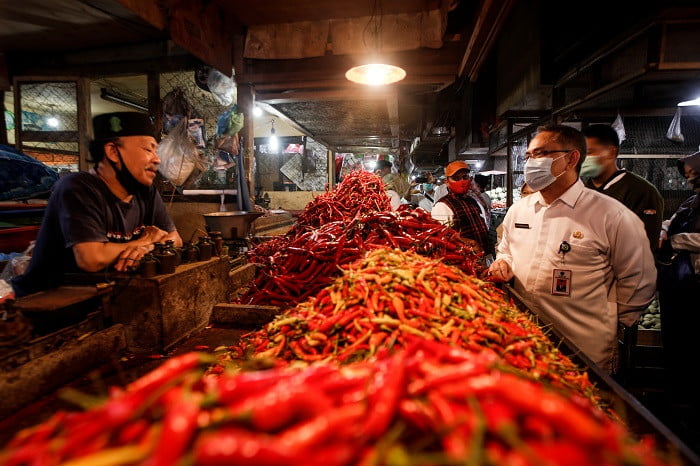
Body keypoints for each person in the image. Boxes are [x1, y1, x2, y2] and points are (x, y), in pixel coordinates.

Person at [488, 125, 656, 372]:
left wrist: (608, 325)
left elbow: (639, 279)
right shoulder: (519, 210)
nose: (532, 162)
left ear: (571, 158)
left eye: (542, 153)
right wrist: (503, 262)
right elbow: (507, 249)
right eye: (529, 156)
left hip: (583, 350)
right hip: (523, 342)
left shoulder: (610, 214)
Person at [12, 112, 183, 297]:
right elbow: (91, 258)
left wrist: (147, 248)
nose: (156, 159)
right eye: (148, 150)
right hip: (48, 304)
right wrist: (145, 240)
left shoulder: (145, 192)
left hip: (104, 297)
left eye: (156, 151)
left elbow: (176, 239)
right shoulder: (77, 187)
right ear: (113, 151)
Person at [656, 151, 700, 420]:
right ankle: (678, 396)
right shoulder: (691, 201)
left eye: (693, 171)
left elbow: (685, 237)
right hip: (678, 283)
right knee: (676, 339)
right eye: (687, 172)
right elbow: (669, 223)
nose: (688, 176)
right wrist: (662, 230)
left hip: (696, 283)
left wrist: (676, 240)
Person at [581, 124, 663, 250]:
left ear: (612, 152)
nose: (583, 159)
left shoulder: (642, 191)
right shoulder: (583, 189)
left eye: (589, 152)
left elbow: (645, 245)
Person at [431, 161, 490, 252]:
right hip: (462, 262)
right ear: (447, 182)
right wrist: (466, 244)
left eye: (465, 177)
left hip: (482, 258)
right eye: (456, 178)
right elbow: (440, 238)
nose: (462, 181)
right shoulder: (442, 206)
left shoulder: (473, 201)